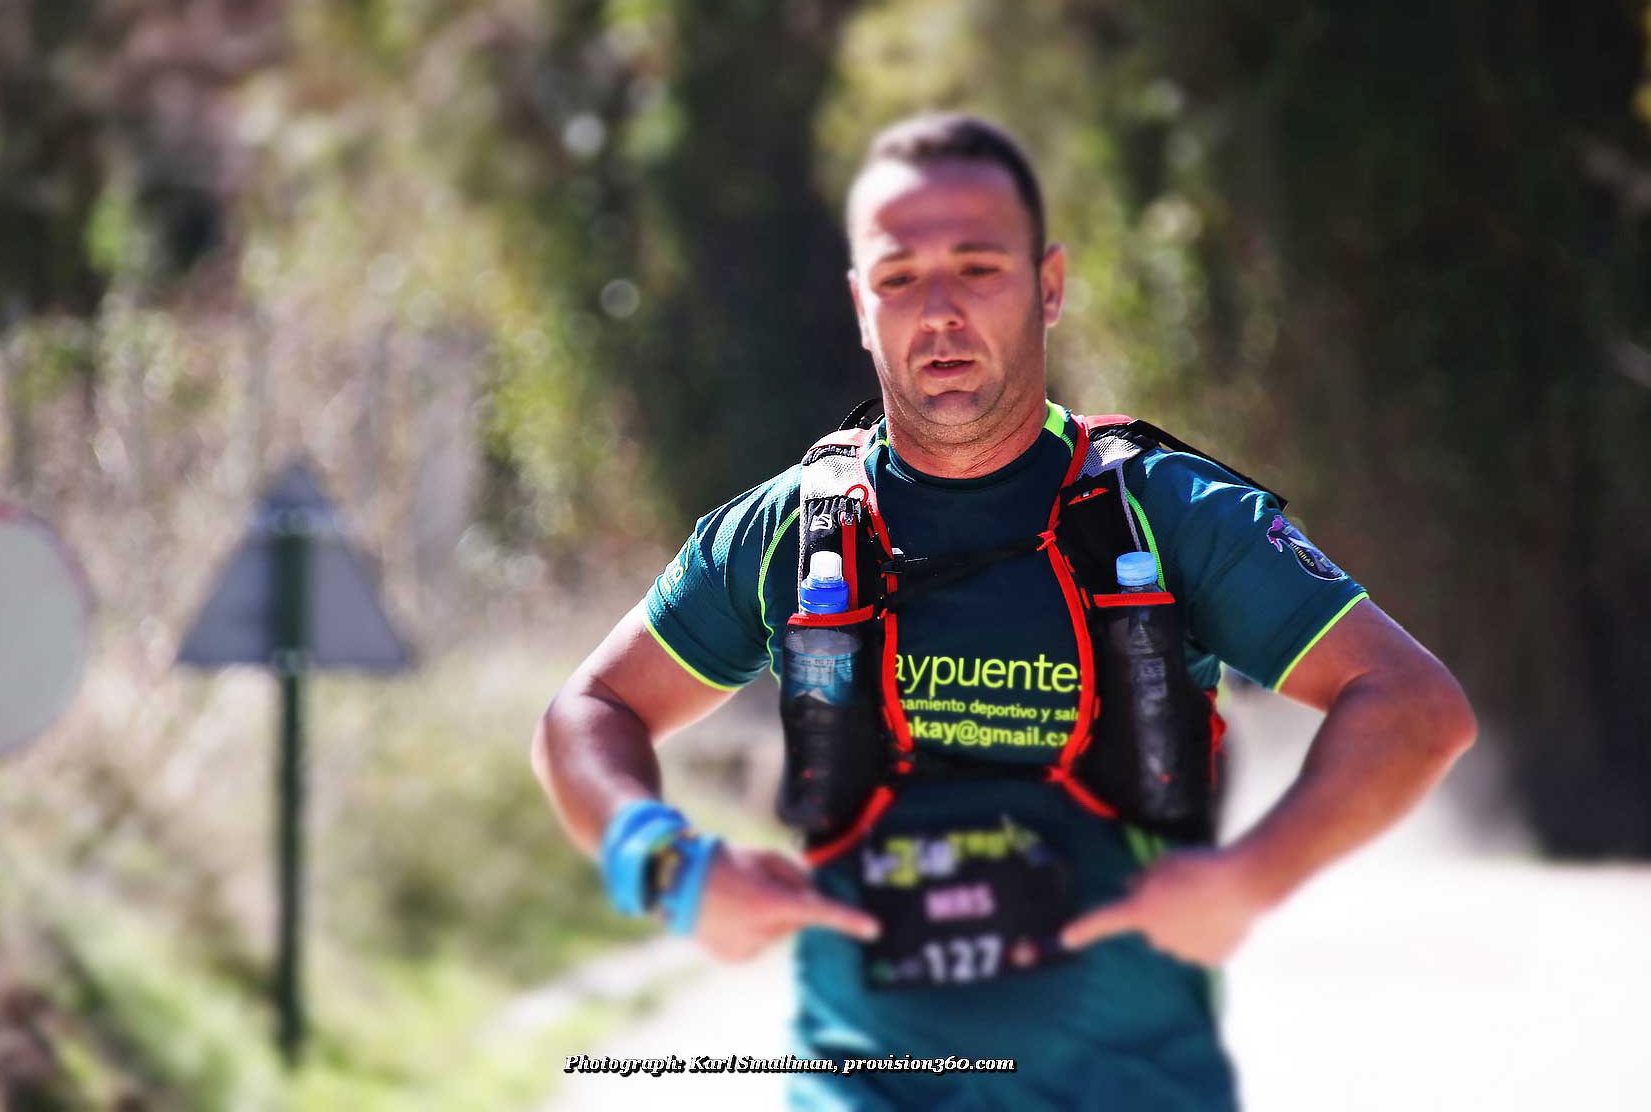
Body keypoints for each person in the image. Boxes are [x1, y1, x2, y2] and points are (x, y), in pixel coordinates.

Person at [533, 112, 1477, 1110]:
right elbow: (591, 709)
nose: (939, 311)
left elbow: (1415, 705)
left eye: (978, 268)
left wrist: (1253, 877)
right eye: (900, 277)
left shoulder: (1172, 514)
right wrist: (668, 867)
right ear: (861, 306)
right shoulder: (786, 532)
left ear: (1048, 285)